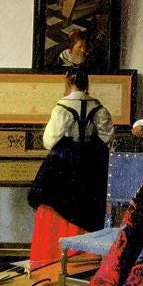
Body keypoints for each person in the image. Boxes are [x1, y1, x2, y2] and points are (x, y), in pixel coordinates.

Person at [27, 67, 114, 273]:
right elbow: (107, 136)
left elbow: (50, 140)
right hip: (91, 162)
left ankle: (52, 258)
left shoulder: (62, 107)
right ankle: (86, 259)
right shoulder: (98, 106)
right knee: (86, 205)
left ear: (68, 82)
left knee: (55, 203)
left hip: (65, 162)